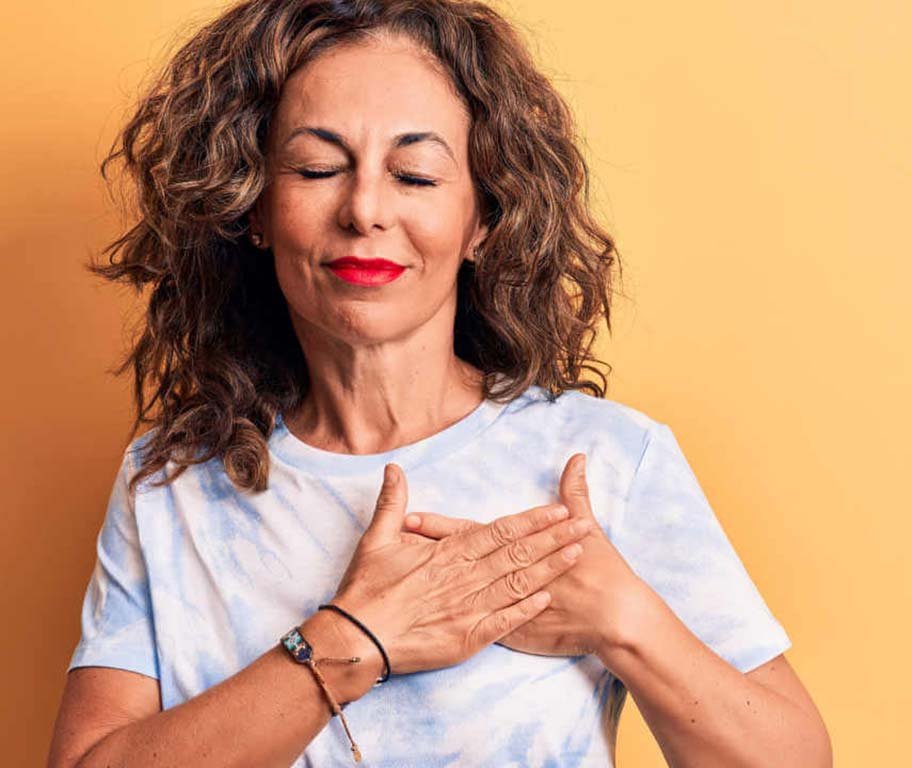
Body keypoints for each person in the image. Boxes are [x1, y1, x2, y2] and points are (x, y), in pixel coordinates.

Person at [47, 1, 831, 766]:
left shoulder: (607, 459)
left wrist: (624, 619)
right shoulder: (171, 485)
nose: (364, 210)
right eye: (318, 168)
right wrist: (352, 639)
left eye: (415, 176)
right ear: (253, 206)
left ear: (482, 219)